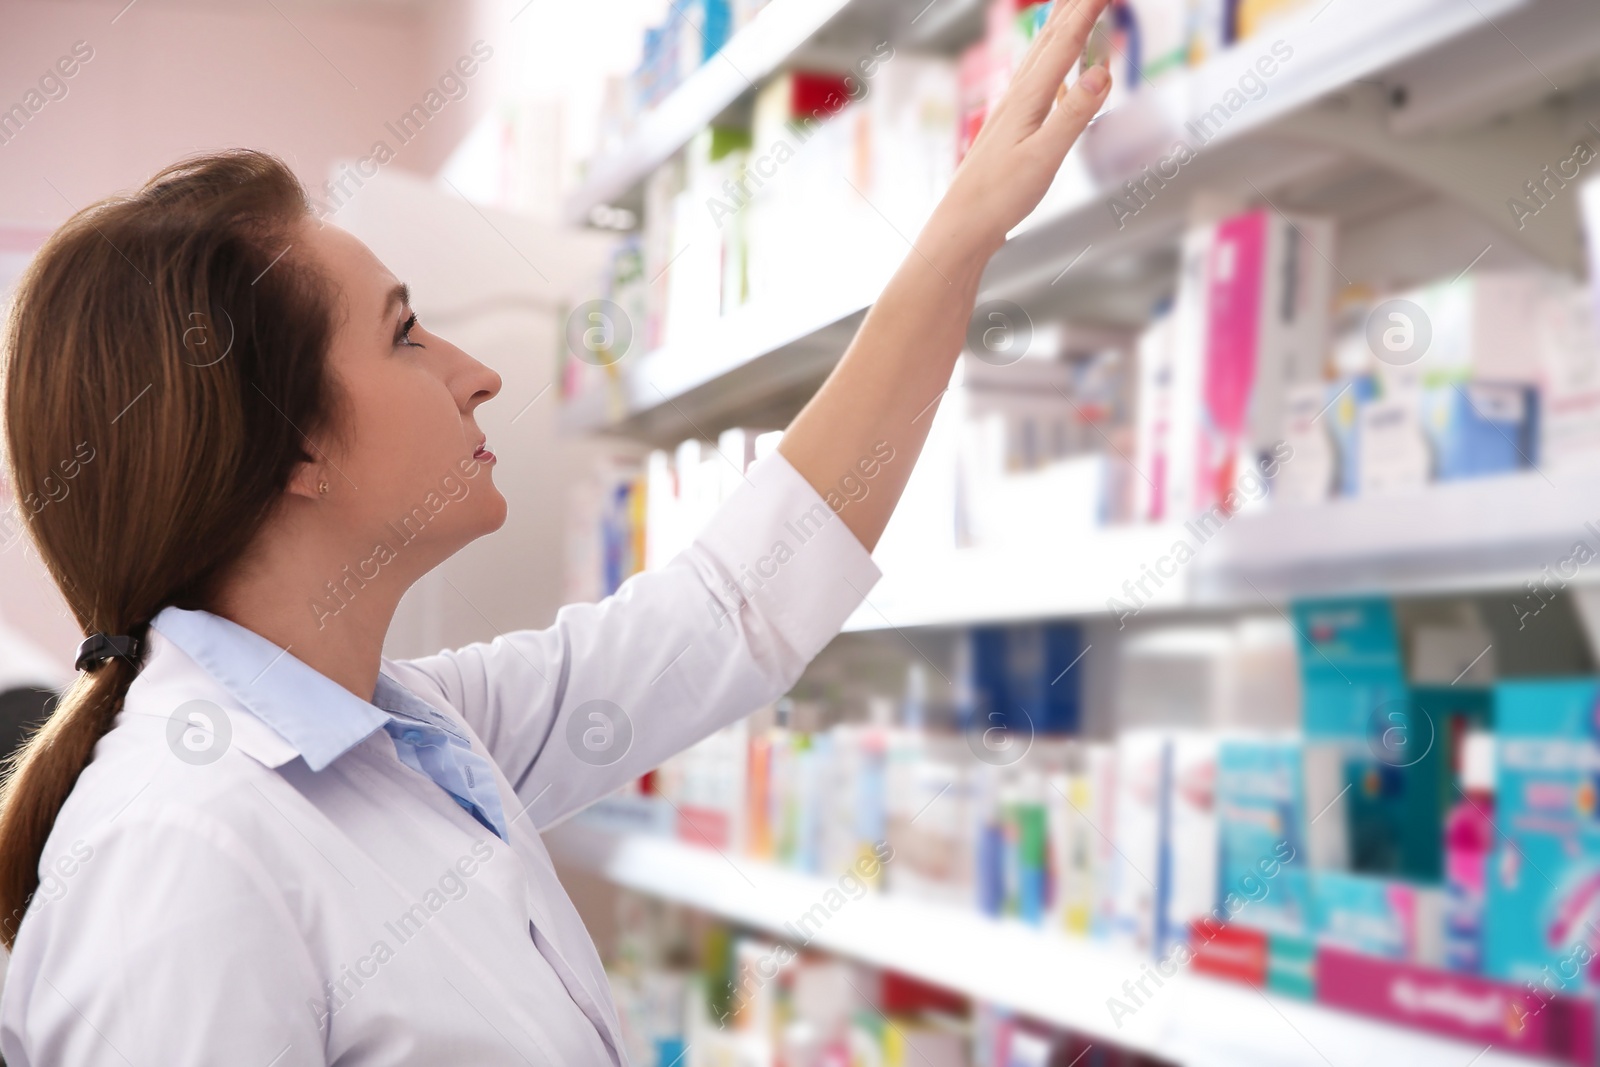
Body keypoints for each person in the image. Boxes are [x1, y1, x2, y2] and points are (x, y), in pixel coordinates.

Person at [0, 2, 1112, 1062]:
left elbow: (731, 604)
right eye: (405, 335)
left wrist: (963, 230)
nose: (477, 374)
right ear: (291, 446)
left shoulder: (415, 731)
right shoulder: (181, 856)